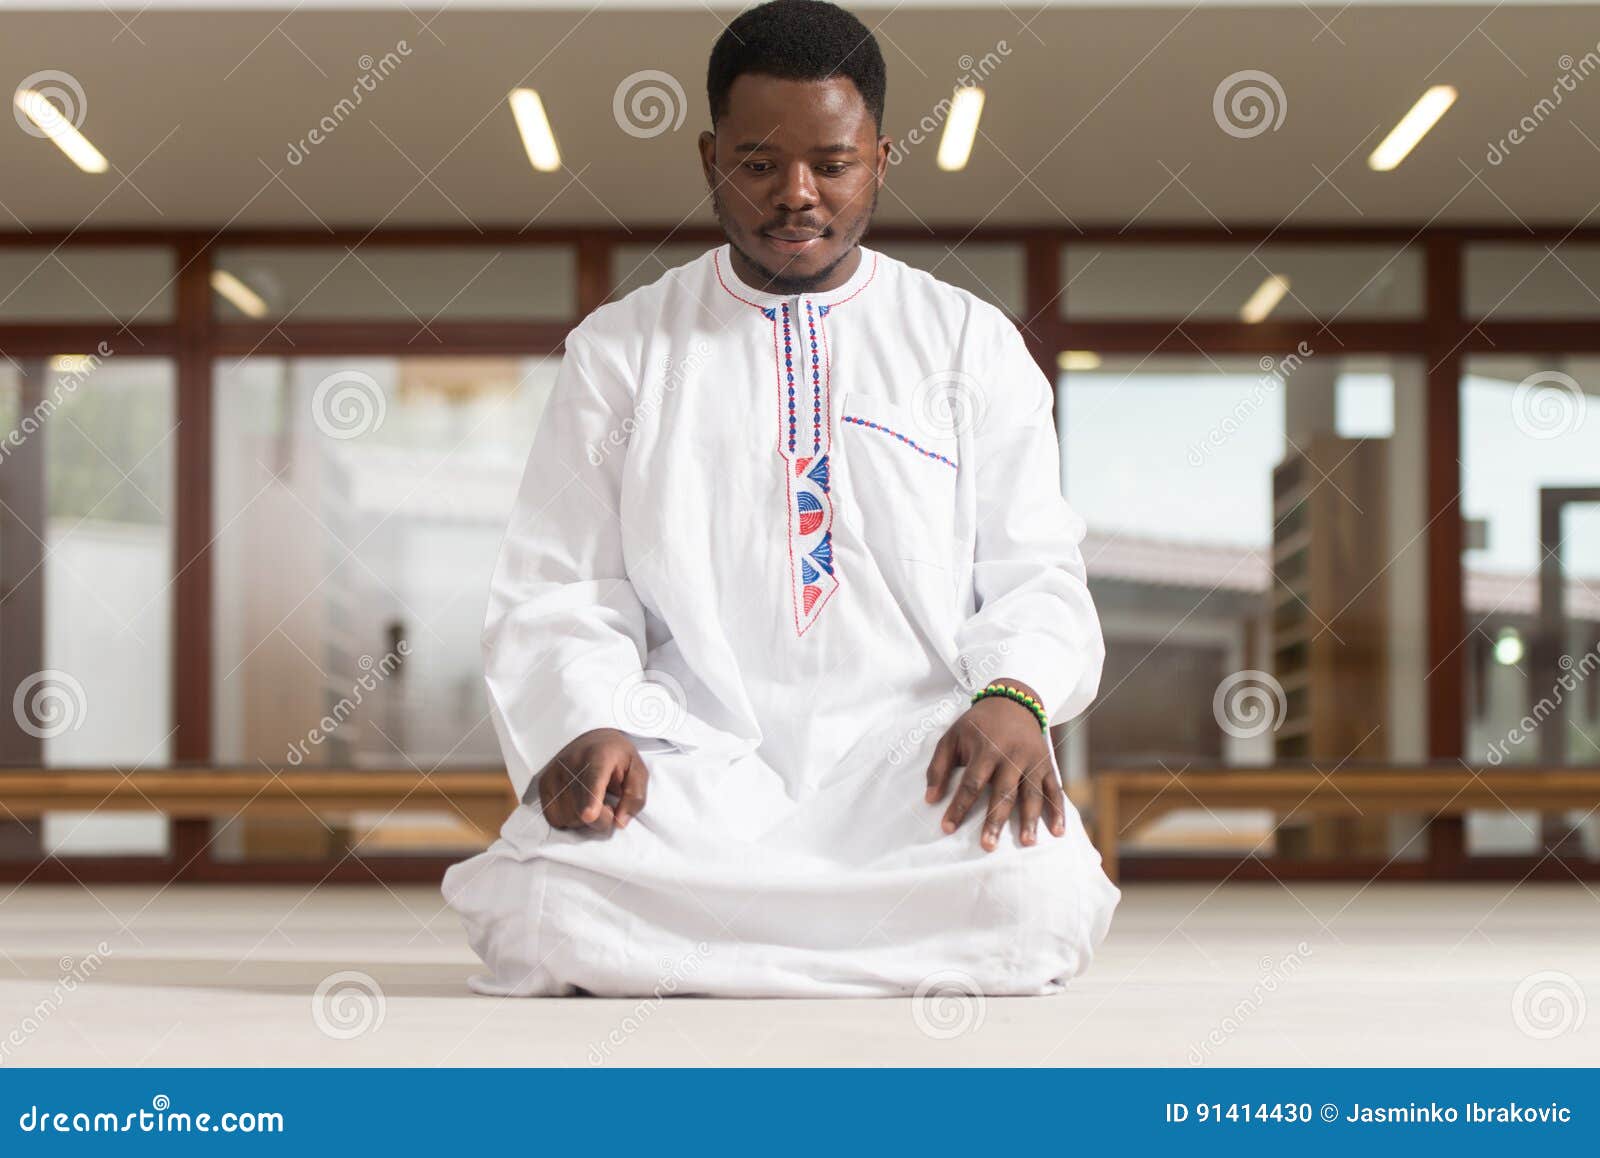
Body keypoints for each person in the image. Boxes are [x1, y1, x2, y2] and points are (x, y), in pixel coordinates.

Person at [441, 0, 1120, 998]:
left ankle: (714, 951)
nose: (796, 195)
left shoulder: (967, 343)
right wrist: (589, 722)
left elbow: (1033, 569)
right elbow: (566, 585)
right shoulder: (622, 352)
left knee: (1039, 898)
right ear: (710, 157)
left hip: (912, 758)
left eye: (831, 164)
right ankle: (863, 951)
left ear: (880, 159)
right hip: (695, 758)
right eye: (758, 164)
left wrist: (1012, 697)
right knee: (545, 905)